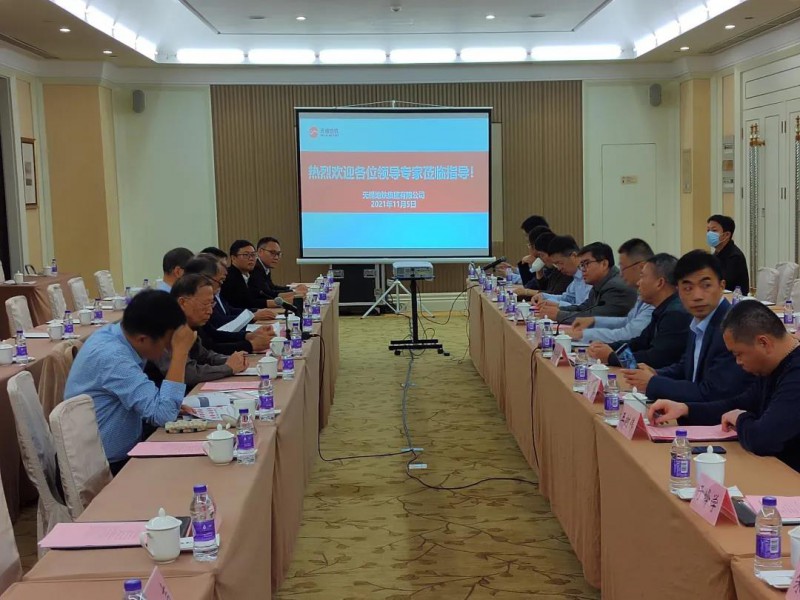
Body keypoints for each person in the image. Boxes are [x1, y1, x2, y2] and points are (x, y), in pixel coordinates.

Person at [647, 301, 800, 472]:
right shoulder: (772, 366)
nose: (738, 362)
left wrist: (740, 419)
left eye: (739, 354)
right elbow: (739, 404)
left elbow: (763, 439)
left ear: (763, 343)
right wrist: (685, 409)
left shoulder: (795, 374)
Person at [64, 290, 195, 474]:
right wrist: (181, 353)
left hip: (119, 451)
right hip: (102, 469)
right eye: (168, 344)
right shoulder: (113, 358)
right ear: (143, 339)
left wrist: (163, 403)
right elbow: (164, 415)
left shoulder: (117, 335)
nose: (169, 350)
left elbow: (157, 407)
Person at [623, 250, 754, 402]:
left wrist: (653, 383)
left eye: (706, 286)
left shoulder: (732, 328)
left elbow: (712, 393)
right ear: (678, 291)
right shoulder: (698, 320)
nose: (697, 296)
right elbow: (686, 367)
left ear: (721, 286)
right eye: (688, 288)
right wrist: (656, 374)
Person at [587, 253, 691, 369]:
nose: (638, 283)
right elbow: (639, 342)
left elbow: (656, 359)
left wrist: (612, 357)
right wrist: (608, 347)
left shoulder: (675, 314)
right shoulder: (662, 309)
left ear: (659, 283)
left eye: (642, 277)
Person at [153, 274, 247, 388]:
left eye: (211, 304)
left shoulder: (187, 324)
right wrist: (228, 368)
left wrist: (232, 360)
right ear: (182, 302)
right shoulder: (164, 328)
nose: (210, 311)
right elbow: (188, 373)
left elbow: (204, 356)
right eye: (205, 304)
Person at [570, 239, 656, 343]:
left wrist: (583, 334)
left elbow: (631, 334)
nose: (621, 274)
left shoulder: (654, 298)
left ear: (641, 267)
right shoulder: (642, 293)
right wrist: (594, 321)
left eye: (623, 268)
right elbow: (628, 322)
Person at [184, 255, 273, 354]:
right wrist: (249, 345)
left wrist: (248, 336)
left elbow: (213, 334)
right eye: (220, 281)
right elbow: (209, 348)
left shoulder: (206, 299)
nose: (210, 310)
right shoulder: (183, 315)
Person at [539, 242, 637, 323]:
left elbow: (594, 317)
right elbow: (584, 308)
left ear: (604, 264)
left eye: (586, 264)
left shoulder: (616, 287)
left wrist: (559, 315)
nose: (582, 270)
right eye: (581, 265)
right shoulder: (599, 283)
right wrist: (558, 310)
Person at [528, 235, 591, 307]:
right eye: (556, 264)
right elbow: (567, 298)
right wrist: (543, 296)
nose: (559, 268)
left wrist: (557, 305)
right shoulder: (577, 277)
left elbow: (585, 308)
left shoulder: (590, 277)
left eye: (560, 263)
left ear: (573, 256)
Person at [249, 237, 308, 302]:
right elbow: (267, 293)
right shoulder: (255, 268)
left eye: (278, 254)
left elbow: (272, 287)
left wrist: (292, 288)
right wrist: (294, 292)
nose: (276, 257)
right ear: (260, 251)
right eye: (272, 253)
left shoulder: (264, 266)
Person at [220, 240, 271, 310]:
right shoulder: (229, 277)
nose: (251, 258)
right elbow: (243, 303)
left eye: (253, 255)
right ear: (233, 258)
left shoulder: (252, 275)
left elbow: (260, 295)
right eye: (246, 255)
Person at [707, 214, 749, 293]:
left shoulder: (735, 256)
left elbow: (725, 283)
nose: (709, 234)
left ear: (726, 235)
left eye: (714, 230)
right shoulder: (716, 254)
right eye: (708, 230)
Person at [508, 216, 549, 284]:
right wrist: (516, 269)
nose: (526, 239)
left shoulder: (548, 258)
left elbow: (531, 284)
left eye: (526, 235)